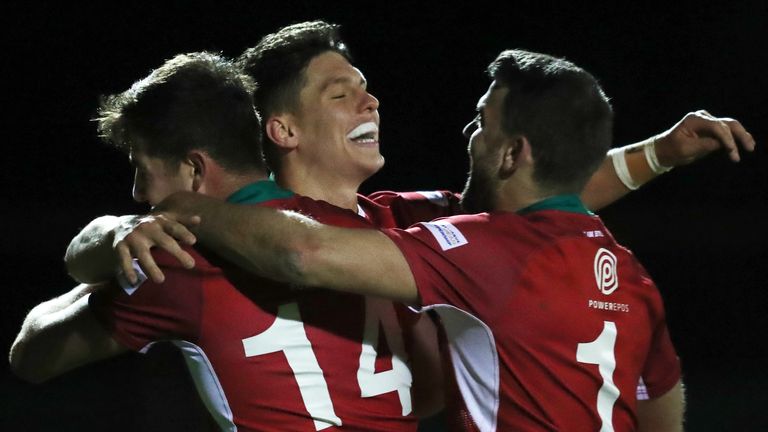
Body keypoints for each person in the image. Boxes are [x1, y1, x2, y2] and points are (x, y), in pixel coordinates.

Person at [55, 21, 753, 430]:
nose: (371, 98)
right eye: (341, 92)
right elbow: (37, 347)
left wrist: (658, 153)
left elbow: (539, 199)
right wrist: (113, 236)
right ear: (283, 129)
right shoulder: (212, 247)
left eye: (365, 85)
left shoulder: (411, 224)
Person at [8, 51, 428, 431]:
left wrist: (121, 250)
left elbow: (31, 355)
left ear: (193, 169)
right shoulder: (359, 226)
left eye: (142, 168)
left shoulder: (182, 260)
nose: (138, 192)